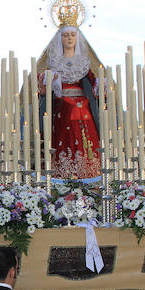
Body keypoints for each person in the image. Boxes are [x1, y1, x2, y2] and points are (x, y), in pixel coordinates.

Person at [37, 25, 101, 179]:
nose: (70, 38)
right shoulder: (53, 63)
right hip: (62, 106)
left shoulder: (84, 63)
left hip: (83, 107)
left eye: (73, 35)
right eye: (66, 36)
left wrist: (101, 84)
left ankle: (89, 170)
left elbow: (94, 85)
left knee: (82, 116)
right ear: (60, 39)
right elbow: (42, 88)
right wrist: (49, 79)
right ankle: (63, 170)